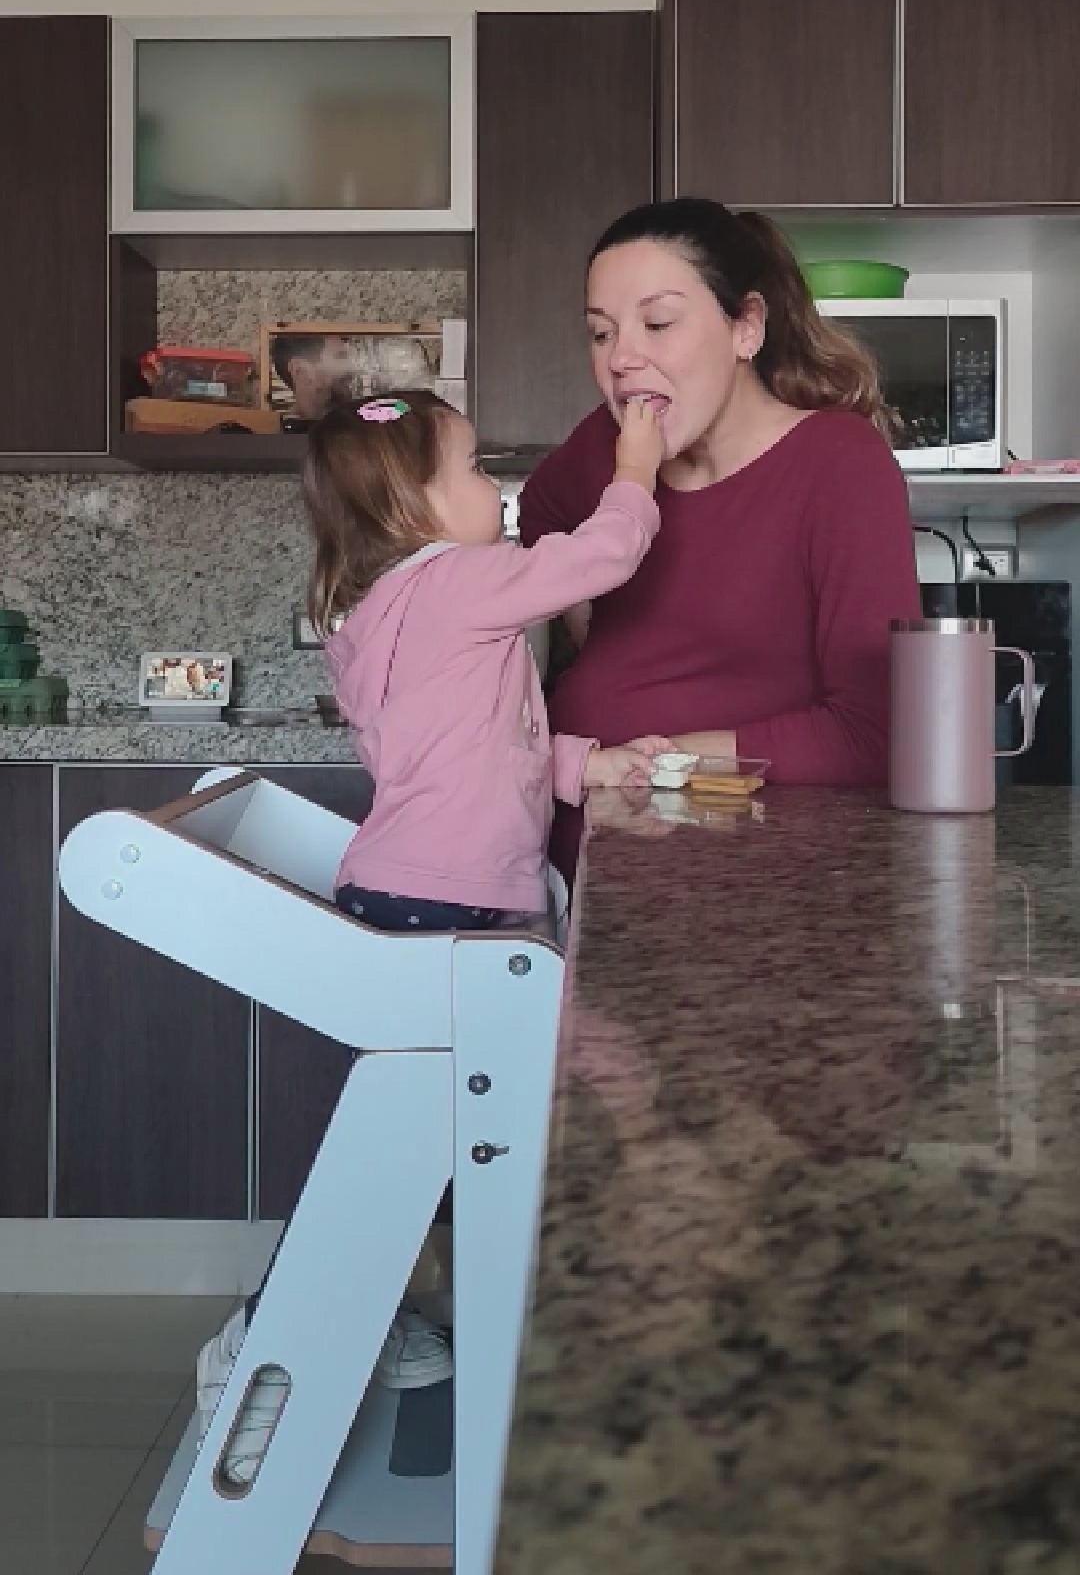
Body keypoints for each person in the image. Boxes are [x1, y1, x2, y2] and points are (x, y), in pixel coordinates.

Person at [196, 385, 670, 1484]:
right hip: (449, 912)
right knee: (537, 1109)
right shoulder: (458, 584)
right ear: (411, 506)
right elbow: (601, 559)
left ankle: (393, 1317)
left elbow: (468, 749)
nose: (495, 489)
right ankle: (267, 1340)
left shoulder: (378, 610)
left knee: (420, 1154)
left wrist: (585, 765)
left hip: (414, 902)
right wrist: (634, 464)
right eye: (469, 470)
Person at [520, 197, 922, 851]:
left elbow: (873, 733)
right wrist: (590, 619)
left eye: (657, 322)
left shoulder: (839, 465)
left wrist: (658, 763)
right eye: (601, 332)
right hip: (577, 853)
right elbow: (542, 510)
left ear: (747, 328)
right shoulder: (603, 447)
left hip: (741, 867)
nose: (621, 358)